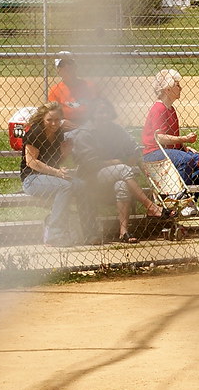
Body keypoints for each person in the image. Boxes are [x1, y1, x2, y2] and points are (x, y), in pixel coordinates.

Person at [71, 99, 167, 243]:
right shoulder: (85, 133)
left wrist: (136, 159)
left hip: (113, 175)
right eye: (100, 112)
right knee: (122, 169)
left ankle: (124, 232)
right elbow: (89, 164)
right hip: (90, 177)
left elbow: (133, 148)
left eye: (107, 112)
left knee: (122, 185)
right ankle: (150, 206)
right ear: (92, 114)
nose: (104, 115)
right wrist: (113, 162)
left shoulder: (115, 130)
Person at [141, 69, 199, 215]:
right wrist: (184, 139)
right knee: (186, 160)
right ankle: (178, 200)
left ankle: (190, 200)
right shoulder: (159, 108)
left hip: (167, 151)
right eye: (177, 84)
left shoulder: (170, 108)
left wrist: (184, 146)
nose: (180, 88)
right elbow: (160, 138)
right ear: (168, 88)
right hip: (153, 152)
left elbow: (171, 138)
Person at [21, 101, 84, 247]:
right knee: (65, 187)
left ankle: (86, 229)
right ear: (43, 119)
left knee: (82, 185)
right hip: (32, 179)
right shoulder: (35, 132)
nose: (54, 124)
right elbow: (32, 163)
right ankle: (54, 234)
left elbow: (55, 159)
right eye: (49, 120)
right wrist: (57, 172)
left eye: (57, 120)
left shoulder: (59, 133)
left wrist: (66, 152)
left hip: (52, 178)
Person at [48, 52, 99, 132]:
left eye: (69, 63)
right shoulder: (55, 90)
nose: (67, 67)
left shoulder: (89, 86)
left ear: (75, 67)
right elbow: (52, 115)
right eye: (62, 65)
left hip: (89, 125)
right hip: (67, 129)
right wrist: (61, 122)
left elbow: (99, 108)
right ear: (58, 71)